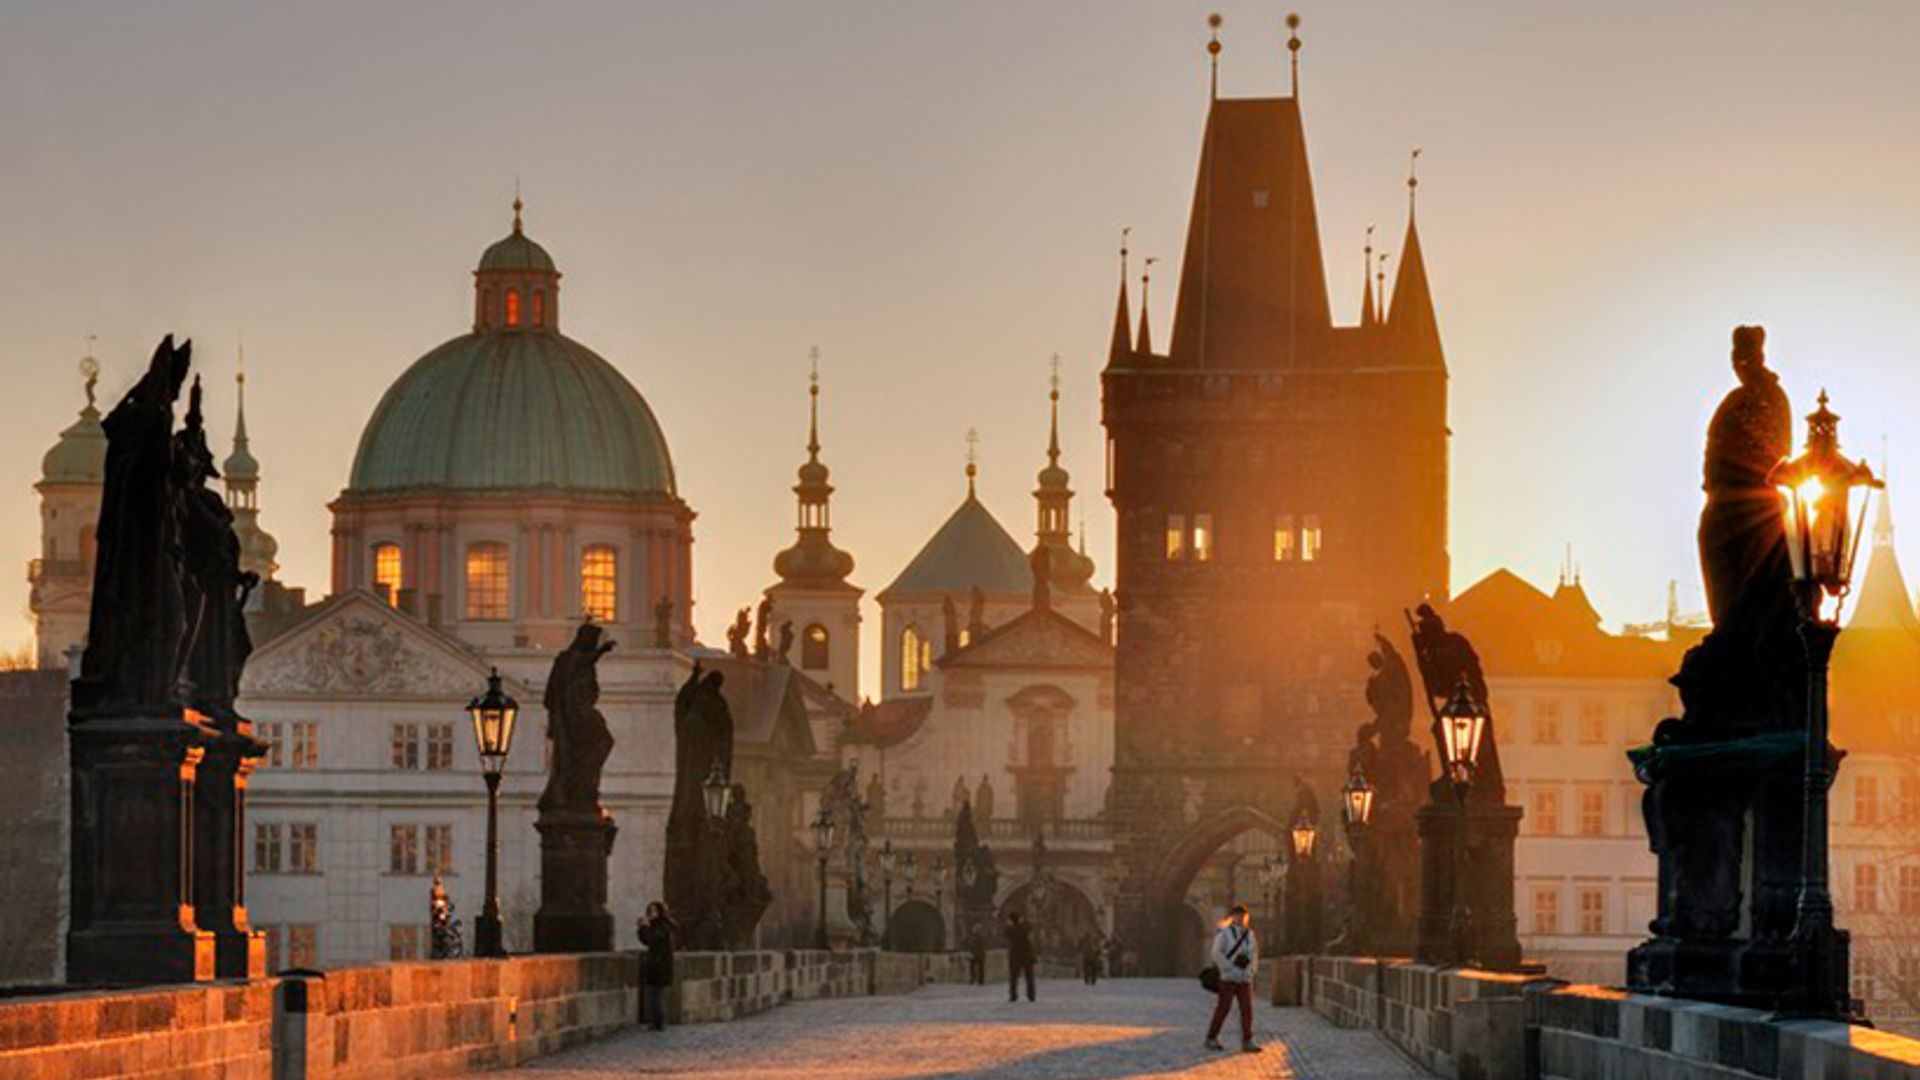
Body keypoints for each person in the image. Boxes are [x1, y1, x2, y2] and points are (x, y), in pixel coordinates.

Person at [1205, 904, 1260, 1053]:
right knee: (1223, 1009)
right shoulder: (1224, 933)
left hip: (1244, 978)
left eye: (1243, 916)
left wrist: (1251, 971)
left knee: (1247, 1009)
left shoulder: (1250, 935)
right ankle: (1211, 1037)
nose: (1240, 918)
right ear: (1232, 917)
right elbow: (1216, 953)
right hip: (1228, 978)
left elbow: (1254, 955)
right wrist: (1230, 968)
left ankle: (1247, 1040)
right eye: (1237, 915)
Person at [637, 901, 677, 1031]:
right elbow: (646, 941)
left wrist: (644, 927)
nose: (651, 914)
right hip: (657, 966)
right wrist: (642, 928)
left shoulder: (663, 926)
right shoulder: (659, 925)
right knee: (655, 995)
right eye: (649, 911)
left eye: (653, 911)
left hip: (659, 966)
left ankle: (658, 1023)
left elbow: (652, 939)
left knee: (656, 996)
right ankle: (657, 1022)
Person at [1006, 912, 1036, 1003]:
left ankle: (1013, 995)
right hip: (1026, 954)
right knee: (1029, 976)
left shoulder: (1010, 929)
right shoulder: (1023, 928)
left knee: (1013, 977)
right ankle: (1031, 995)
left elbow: (1005, 933)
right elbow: (1030, 928)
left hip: (1014, 955)